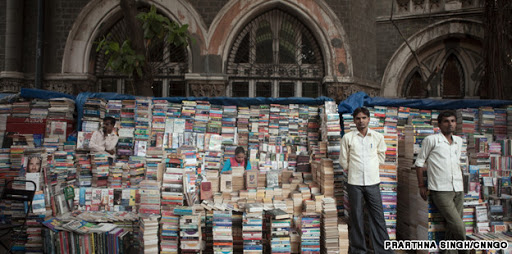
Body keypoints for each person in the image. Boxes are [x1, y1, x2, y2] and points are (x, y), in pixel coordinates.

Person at [339, 107, 392, 254]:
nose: (361, 121)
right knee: (356, 217)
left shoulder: (377, 137)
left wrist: (372, 167)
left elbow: (381, 155)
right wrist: (354, 169)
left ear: (368, 119)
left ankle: (383, 250)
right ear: (354, 120)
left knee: (378, 217)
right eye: (358, 118)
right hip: (354, 182)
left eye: (363, 118)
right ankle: (358, 250)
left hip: (373, 182)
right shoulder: (348, 138)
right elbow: (343, 160)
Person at [415, 110, 467, 254]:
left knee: (451, 226)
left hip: (458, 187)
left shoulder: (458, 141)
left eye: (452, 121)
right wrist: (421, 185)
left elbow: (456, 163)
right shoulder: (431, 140)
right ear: (439, 124)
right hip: (440, 189)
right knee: (459, 226)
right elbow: (419, 163)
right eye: (446, 121)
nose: (450, 124)